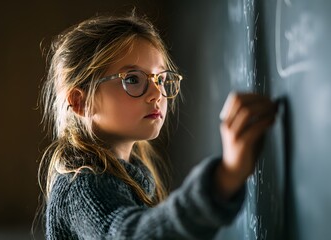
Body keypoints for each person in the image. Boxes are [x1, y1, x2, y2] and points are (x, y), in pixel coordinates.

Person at [38, 12, 278, 240]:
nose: (157, 94)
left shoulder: (126, 174)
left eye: (161, 79)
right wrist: (223, 179)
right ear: (80, 102)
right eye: (132, 79)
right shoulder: (80, 185)